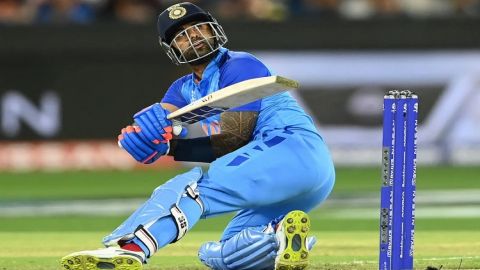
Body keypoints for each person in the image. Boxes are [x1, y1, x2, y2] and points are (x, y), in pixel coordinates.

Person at [60, 2, 335, 270]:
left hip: (292, 149)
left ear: (213, 29)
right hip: (293, 174)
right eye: (181, 35)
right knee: (226, 253)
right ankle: (278, 236)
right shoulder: (181, 89)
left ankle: (130, 247)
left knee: (190, 189)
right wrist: (147, 137)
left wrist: (172, 148)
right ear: (172, 49)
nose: (192, 36)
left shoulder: (239, 64)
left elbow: (233, 137)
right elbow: (161, 122)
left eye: (198, 28)